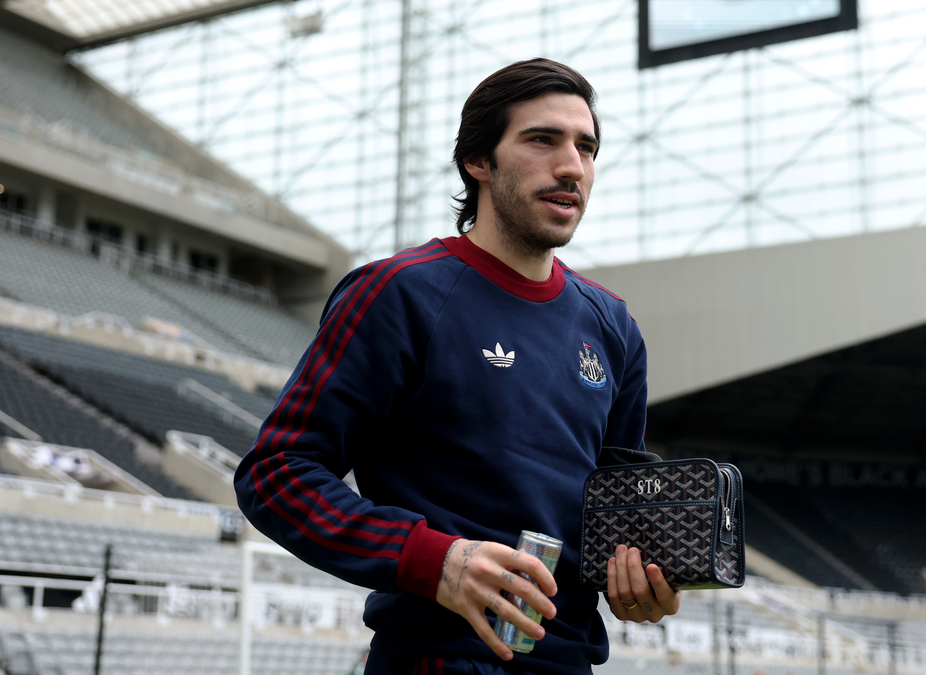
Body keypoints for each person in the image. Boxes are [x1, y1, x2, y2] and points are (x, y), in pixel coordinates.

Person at [234, 59, 680, 675]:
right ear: (479, 160)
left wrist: (644, 578)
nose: (572, 166)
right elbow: (276, 475)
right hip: (437, 660)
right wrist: (433, 561)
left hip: (569, 663)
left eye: (586, 147)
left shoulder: (613, 327)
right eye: (542, 139)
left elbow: (616, 515)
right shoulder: (399, 293)